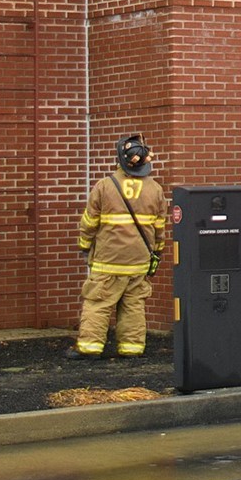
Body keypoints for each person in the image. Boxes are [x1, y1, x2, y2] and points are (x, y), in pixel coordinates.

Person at [69, 134, 166, 360]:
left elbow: (89, 222)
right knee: (133, 305)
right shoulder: (156, 190)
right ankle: (131, 348)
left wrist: (84, 246)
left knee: (98, 303)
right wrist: (157, 251)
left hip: (108, 260)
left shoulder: (105, 186)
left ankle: (89, 348)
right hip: (139, 260)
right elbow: (160, 228)